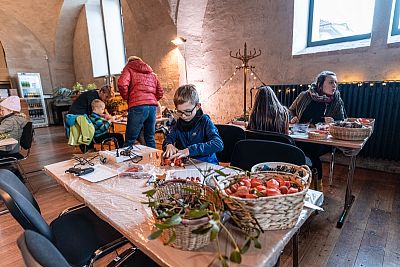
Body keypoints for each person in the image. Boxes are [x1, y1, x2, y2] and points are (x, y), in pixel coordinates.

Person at [289, 71, 346, 188]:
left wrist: (333, 121)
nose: (334, 85)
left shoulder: (336, 100)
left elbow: (342, 120)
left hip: (323, 139)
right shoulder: (305, 95)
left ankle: (315, 186)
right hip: (301, 134)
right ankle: (298, 182)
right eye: (331, 82)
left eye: (336, 83)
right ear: (320, 84)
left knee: (310, 152)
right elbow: (291, 110)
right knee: (293, 148)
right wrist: (293, 117)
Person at [162, 84, 223, 165]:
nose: (183, 116)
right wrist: (168, 145)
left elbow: (218, 144)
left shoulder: (205, 121)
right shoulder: (178, 124)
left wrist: (190, 150)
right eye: (179, 112)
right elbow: (169, 138)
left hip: (207, 165)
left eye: (188, 111)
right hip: (186, 165)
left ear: (197, 106)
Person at [118, 56, 164, 148]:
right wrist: (151, 100)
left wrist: (128, 97)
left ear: (129, 62)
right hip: (152, 107)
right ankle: (154, 161)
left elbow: (122, 84)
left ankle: (126, 161)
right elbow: (160, 92)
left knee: (130, 140)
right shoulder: (151, 72)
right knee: (150, 137)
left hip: (137, 106)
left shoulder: (129, 68)